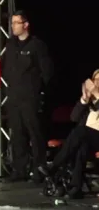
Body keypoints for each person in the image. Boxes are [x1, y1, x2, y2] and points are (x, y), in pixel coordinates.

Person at [3, 10, 53, 182]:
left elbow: (46, 71)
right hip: (14, 96)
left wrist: (38, 91)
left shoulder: (37, 45)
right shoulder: (10, 44)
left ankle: (39, 169)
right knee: (17, 134)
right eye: (12, 23)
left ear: (25, 25)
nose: (13, 26)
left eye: (16, 23)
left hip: (31, 97)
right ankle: (19, 170)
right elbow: (6, 68)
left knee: (35, 133)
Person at [39, 71, 99, 199]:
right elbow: (74, 117)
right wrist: (84, 100)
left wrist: (96, 93)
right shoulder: (90, 99)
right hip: (88, 138)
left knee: (80, 131)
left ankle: (54, 166)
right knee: (81, 147)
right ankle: (75, 188)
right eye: (96, 80)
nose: (97, 83)